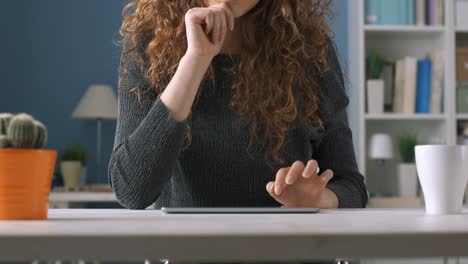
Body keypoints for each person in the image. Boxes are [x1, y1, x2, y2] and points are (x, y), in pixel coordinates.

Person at [109, 0, 367, 211]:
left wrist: (318, 200)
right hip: (187, 253)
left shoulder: (310, 50)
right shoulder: (148, 44)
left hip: (288, 253)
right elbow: (132, 191)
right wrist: (195, 61)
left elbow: (351, 186)